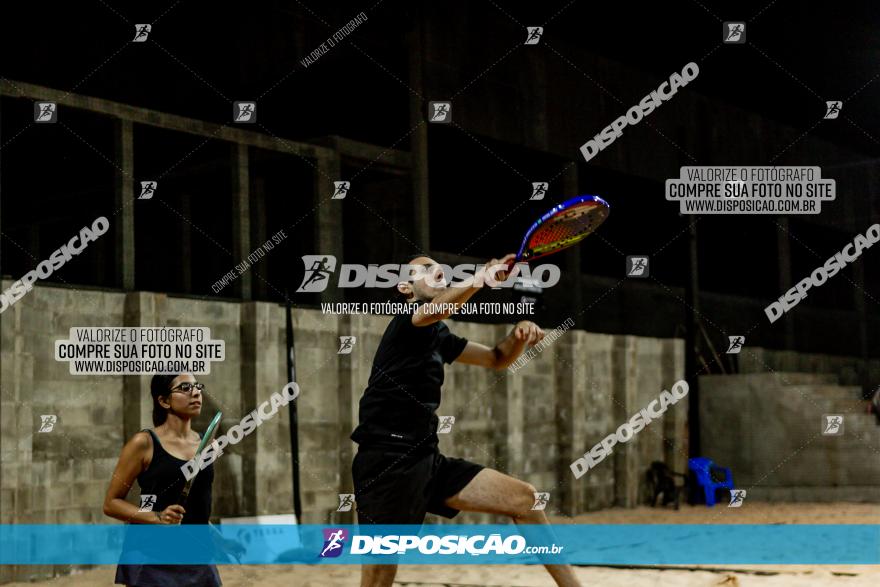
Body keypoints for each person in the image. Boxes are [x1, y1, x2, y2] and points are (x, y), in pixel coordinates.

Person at [351, 254, 582, 587]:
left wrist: (517, 338)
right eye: (425, 270)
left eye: (439, 269)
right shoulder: (406, 320)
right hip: (386, 461)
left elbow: (495, 358)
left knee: (526, 499)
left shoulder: (439, 335)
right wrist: (482, 276)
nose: (438, 272)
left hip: (426, 457)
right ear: (406, 287)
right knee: (378, 576)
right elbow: (436, 309)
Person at [103, 373, 221, 587]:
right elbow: (111, 504)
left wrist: (219, 538)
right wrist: (157, 516)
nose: (196, 393)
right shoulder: (144, 443)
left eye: (197, 387)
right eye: (185, 388)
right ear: (164, 401)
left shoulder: (207, 446)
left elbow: (196, 505)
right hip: (152, 559)